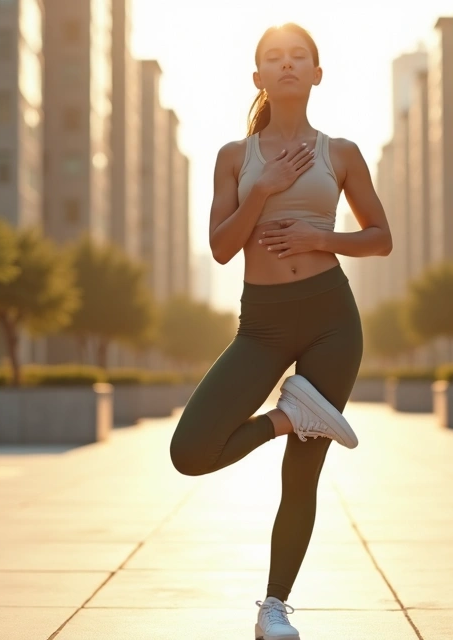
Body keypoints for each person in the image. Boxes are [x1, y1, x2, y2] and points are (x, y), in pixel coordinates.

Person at [167, 21, 392, 640]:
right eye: (275, 58)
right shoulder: (234, 158)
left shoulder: (340, 152)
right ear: (258, 76)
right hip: (261, 324)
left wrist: (322, 236)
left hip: (330, 319)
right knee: (190, 452)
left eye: (299, 57)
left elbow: (381, 238)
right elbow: (219, 248)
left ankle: (274, 606)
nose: (287, 65)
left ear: (317, 74)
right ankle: (289, 415)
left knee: (302, 475)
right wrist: (261, 190)